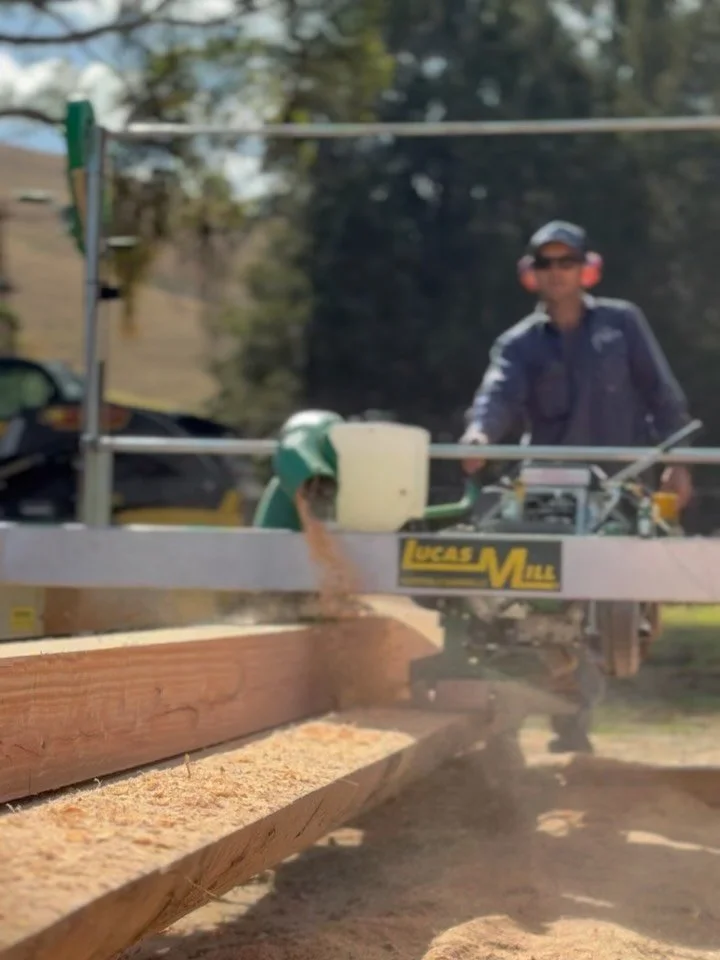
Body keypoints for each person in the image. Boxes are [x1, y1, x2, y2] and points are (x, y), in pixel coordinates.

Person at [460, 219, 694, 753]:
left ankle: (572, 728)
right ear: (530, 274)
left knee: (595, 606)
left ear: (587, 268)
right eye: (546, 263)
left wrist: (676, 461)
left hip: (616, 488)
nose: (557, 272)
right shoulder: (518, 344)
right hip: (542, 488)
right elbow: (496, 397)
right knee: (513, 602)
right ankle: (506, 724)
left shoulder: (622, 324)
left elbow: (662, 396)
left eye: (567, 262)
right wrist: (478, 434)